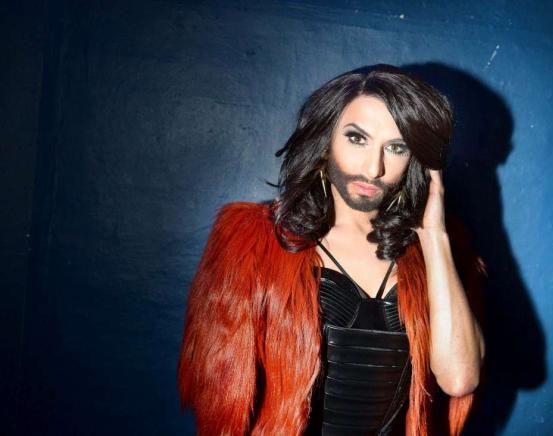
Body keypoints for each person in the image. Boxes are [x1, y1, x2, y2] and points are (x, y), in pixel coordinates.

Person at [177, 64, 487, 436]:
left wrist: (434, 235)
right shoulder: (252, 241)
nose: (373, 168)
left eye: (396, 147)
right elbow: (221, 396)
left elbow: (459, 379)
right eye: (357, 138)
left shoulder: (434, 253)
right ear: (325, 141)